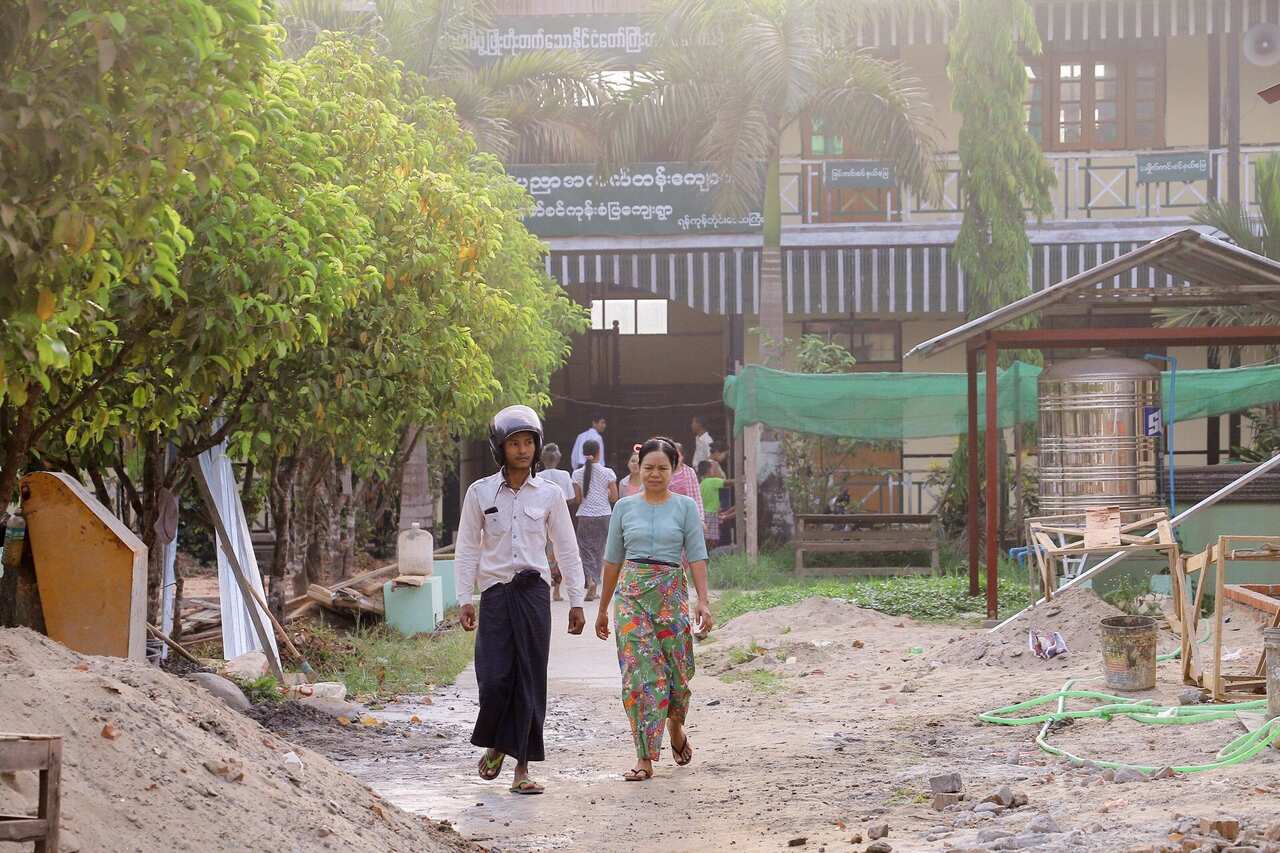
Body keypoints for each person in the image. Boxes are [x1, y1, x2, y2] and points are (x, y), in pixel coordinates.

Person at [455, 405, 586, 796]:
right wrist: (465, 597)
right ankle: (497, 743)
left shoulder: (549, 494)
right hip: (495, 595)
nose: (523, 450)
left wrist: (576, 599)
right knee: (495, 679)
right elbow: (466, 548)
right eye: (515, 443)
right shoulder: (479, 492)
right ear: (500, 448)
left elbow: (566, 546)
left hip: (533, 594)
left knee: (529, 680)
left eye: (529, 442)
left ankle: (522, 768)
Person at [595, 436, 713, 781]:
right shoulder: (624, 508)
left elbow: (697, 556)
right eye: (649, 468)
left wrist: (703, 600)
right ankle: (644, 756)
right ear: (638, 468)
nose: (655, 474)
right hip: (631, 596)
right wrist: (602, 608)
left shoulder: (686, 507)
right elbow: (612, 560)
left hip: (670, 594)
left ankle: (676, 726)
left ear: (674, 469)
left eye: (663, 468)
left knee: (677, 676)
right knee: (640, 675)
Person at [572, 439, 618, 601]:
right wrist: (604, 494)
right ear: (599, 452)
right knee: (599, 551)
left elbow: (578, 499)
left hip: (585, 515)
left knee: (585, 550)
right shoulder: (608, 472)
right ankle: (595, 583)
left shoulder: (577, 474)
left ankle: (590, 580)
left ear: (584, 453)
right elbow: (615, 496)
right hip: (604, 515)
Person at [539, 443, 576, 602]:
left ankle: (546, 586)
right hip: (561, 519)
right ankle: (557, 590)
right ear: (559, 458)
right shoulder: (565, 475)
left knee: (545, 554)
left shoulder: (537, 476)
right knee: (561, 553)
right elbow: (571, 498)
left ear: (542, 459)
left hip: (541, 521)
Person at [668, 442, 705, 532]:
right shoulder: (663, 473)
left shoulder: (689, 472)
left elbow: (697, 497)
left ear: (682, 457)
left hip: (687, 515)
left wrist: (700, 519)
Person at [696, 460, 726, 552]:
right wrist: (742, 479)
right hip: (712, 513)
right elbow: (727, 482)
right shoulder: (712, 481)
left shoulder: (702, 483)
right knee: (713, 538)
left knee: (706, 536)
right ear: (709, 470)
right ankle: (709, 554)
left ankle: (706, 553)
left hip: (704, 513)